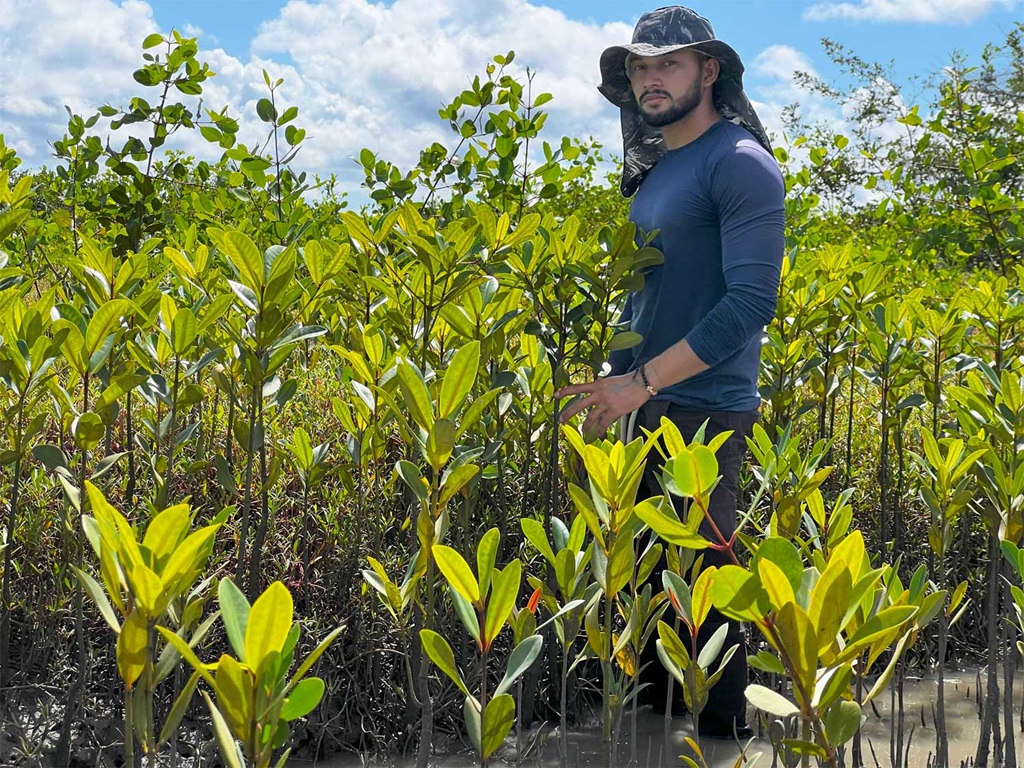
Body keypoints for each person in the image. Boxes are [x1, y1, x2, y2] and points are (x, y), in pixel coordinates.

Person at [555, 5, 784, 739]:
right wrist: (619, 382)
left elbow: (751, 302)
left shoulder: (739, 162)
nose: (652, 79)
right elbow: (655, 292)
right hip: (641, 406)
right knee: (649, 598)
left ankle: (726, 747)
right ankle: (653, 744)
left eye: (670, 64)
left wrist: (644, 381)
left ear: (709, 70)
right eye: (640, 67)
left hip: (704, 412)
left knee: (707, 602)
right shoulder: (656, 171)